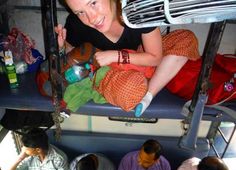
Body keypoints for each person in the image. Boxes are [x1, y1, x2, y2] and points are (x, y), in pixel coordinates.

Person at [55, 0, 200, 117]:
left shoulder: (138, 8)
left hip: (142, 55)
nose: (91, 18)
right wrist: (61, 47)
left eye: (93, 3)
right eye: (80, 12)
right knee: (128, 93)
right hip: (111, 71)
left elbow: (155, 58)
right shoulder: (76, 23)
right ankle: (153, 81)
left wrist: (116, 55)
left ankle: (148, 95)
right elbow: (73, 55)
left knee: (186, 39)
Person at [4, 128, 69, 170]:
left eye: (26, 148)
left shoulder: (60, 159)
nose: (23, 149)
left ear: (38, 150)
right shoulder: (27, 156)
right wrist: (19, 158)